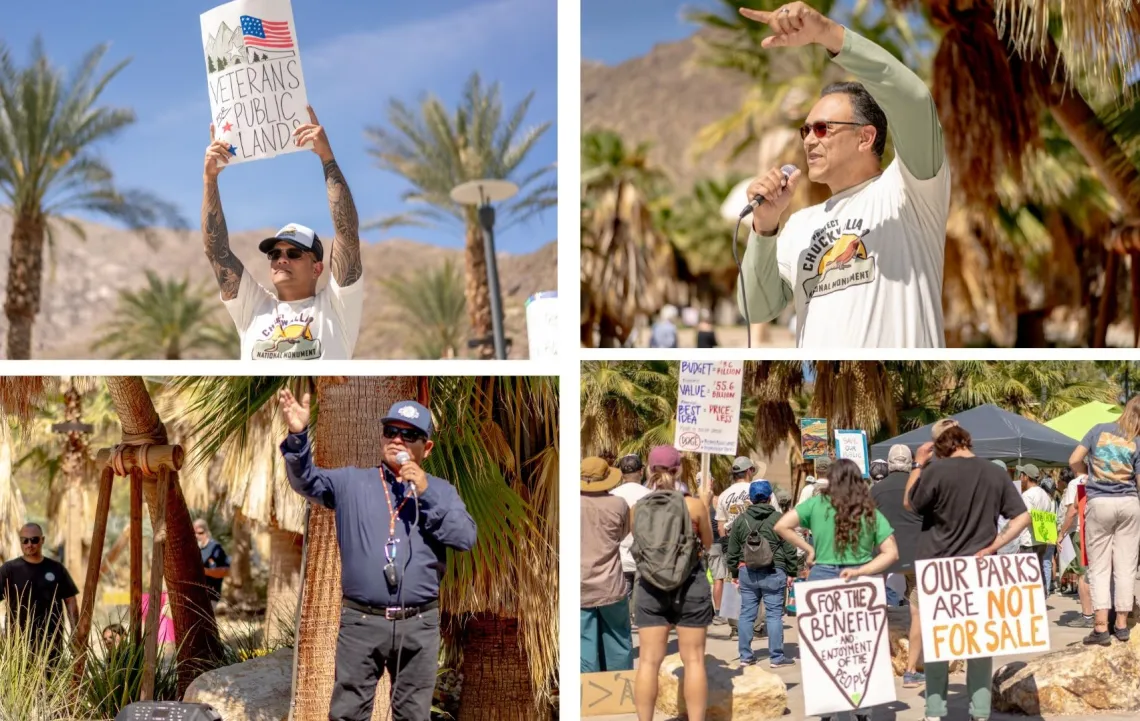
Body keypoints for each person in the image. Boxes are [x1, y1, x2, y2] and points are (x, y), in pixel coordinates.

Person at [736, 3, 949, 348]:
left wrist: (826, 34)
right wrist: (765, 227)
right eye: (805, 130)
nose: (807, 140)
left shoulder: (911, 189)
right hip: (826, 393)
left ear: (865, 137)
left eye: (822, 129)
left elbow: (912, 100)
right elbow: (755, 308)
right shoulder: (800, 226)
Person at [277, 391, 476, 721]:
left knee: (413, 715)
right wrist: (298, 436)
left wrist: (425, 492)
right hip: (362, 621)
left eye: (409, 434)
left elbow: (465, 538)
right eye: (391, 431)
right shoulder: (351, 482)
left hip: (419, 623)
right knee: (348, 713)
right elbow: (306, 480)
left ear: (426, 448)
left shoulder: (441, 491)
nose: (397, 440)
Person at [202, 106, 365, 360]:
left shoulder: (336, 306)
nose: (281, 259)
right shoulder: (254, 308)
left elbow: (347, 235)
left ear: (317, 268)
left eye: (294, 253)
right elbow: (217, 252)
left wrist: (327, 158)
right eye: (275, 253)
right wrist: (210, 180)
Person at [904, 424, 1030, 721]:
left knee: (939, 642)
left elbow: (911, 503)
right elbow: (1022, 517)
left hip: (938, 570)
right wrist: (993, 545)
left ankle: (934, 711)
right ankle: (980, 712)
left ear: (940, 446)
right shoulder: (996, 473)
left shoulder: (936, 471)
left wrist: (918, 464)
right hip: (979, 569)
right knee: (980, 642)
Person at [775, 459, 898, 721]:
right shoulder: (869, 511)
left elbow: (782, 525)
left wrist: (810, 550)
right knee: (861, 647)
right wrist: (863, 570)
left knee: (824, 647)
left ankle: (828, 709)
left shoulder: (817, 504)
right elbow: (891, 553)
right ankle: (863, 709)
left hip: (821, 578)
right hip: (860, 581)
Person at [631, 450, 714, 721]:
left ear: (649, 470)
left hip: (650, 587)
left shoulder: (639, 508)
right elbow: (709, 543)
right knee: (694, 661)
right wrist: (705, 502)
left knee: (648, 662)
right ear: (679, 470)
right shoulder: (693, 505)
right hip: (690, 584)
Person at [1069, 396, 1140, 645]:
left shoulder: (1098, 430)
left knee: (1099, 567)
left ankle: (1100, 627)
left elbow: (1074, 459)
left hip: (1099, 503)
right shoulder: (1138, 440)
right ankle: (1121, 625)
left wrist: (1084, 475)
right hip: (1130, 503)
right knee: (1125, 566)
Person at [727, 480, 798, 668]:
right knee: (774, 615)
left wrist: (734, 572)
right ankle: (776, 657)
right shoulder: (779, 519)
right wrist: (792, 571)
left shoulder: (740, 520)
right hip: (775, 571)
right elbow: (790, 548)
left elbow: (732, 551)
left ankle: (745, 656)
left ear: (750, 498)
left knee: (747, 614)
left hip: (747, 572)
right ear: (769, 498)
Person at [871, 444, 925, 689]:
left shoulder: (876, 489)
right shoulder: (921, 485)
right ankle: (911, 671)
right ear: (910, 462)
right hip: (917, 554)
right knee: (918, 613)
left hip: (882, 554)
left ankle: (873, 663)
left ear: (890, 464)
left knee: (872, 606)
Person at [581, 457, 635, 673]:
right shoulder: (619, 504)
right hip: (611, 583)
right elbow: (623, 535)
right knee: (618, 638)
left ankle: (588, 695)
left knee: (583, 642)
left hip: (580, 584)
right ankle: (618, 693)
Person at [0, 523, 79, 659]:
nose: (29, 544)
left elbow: (70, 600)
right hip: (17, 643)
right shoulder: (9, 569)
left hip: (51, 642)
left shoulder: (56, 568)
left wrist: (74, 630)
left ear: (42, 540)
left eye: (34, 540)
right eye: (25, 540)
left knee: (50, 678)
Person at [610, 454, 650, 608]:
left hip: (619, 556)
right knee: (642, 606)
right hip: (644, 557)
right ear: (641, 471)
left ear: (621, 473)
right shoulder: (649, 494)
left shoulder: (612, 495)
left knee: (622, 604)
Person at [1056, 468, 1094, 627]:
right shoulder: (1097, 477)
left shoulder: (1075, 483)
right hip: (1095, 530)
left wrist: (1061, 533)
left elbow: (1072, 511)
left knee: (1082, 575)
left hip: (1079, 531)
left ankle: (1087, 615)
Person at [1016, 464, 1053, 590]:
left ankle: (1031, 602)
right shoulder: (1045, 495)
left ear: (1026, 477)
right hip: (1042, 538)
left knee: (1027, 574)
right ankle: (1041, 598)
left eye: (1021, 475)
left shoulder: (1027, 495)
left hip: (1029, 540)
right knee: (1039, 569)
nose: (1020, 478)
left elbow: (1028, 518)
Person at [194, 519, 230, 606]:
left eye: (200, 533)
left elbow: (225, 571)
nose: (197, 536)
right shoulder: (195, 549)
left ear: (206, 532)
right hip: (195, 595)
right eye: (194, 533)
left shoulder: (215, 548)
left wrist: (204, 571)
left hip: (211, 595)